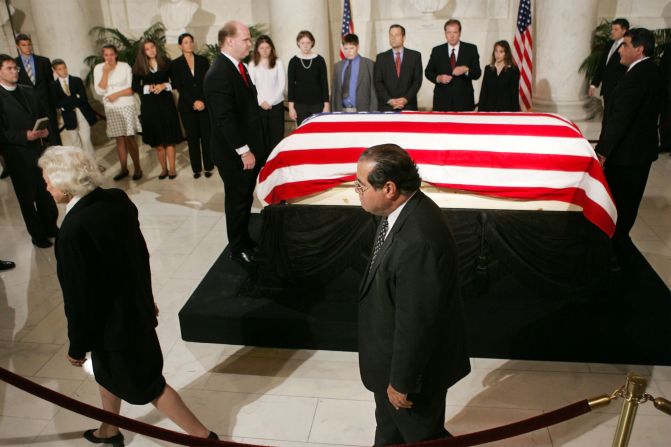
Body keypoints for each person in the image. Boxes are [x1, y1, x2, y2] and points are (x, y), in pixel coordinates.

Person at [38, 146, 219, 445]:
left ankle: (204, 438)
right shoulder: (115, 199)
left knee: (150, 385)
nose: (45, 187)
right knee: (106, 374)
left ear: (68, 182)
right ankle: (109, 429)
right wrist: (145, 298)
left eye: (49, 181)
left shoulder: (72, 231)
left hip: (114, 327)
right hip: (131, 312)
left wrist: (77, 345)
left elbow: (80, 299)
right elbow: (138, 256)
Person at [355, 144, 470, 445]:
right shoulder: (400, 211)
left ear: (389, 188)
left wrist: (401, 382)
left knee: (422, 436)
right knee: (389, 429)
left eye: (361, 186)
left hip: (412, 379)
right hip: (389, 363)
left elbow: (418, 321)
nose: (358, 192)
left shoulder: (419, 241)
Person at [595, 28, 663, 264]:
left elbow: (620, 120)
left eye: (625, 45)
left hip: (627, 156)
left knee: (621, 208)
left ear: (639, 49)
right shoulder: (649, 71)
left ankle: (615, 258)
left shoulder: (639, 75)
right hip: (636, 153)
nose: (620, 50)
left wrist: (602, 152)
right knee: (626, 206)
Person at [203, 21, 266, 266]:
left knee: (244, 199)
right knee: (237, 201)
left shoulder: (238, 67)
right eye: (246, 39)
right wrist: (244, 151)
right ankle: (237, 248)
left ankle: (245, 239)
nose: (250, 44)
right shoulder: (218, 73)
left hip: (246, 148)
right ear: (229, 41)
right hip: (234, 152)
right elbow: (224, 119)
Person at [0, 54, 57, 248]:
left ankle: (51, 226)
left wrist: (46, 130)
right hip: (17, 155)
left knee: (46, 190)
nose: (15, 71)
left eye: (15, 68)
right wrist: (24, 136)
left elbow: (43, 113)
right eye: (9, 68)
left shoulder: (28, 90)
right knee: (27, 196)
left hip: (39, 150)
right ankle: (37, 234)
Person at [132, 38, 183, 180]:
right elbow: (135, 86)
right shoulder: (139, 66)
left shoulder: (166, 62)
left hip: (166, 102)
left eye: (152, 47)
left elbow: (176, 82)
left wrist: (164, 86)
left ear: (156, 47)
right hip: (149, 105)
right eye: (147, 49)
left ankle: (172, 169)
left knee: (169, 138)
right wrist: (148, 88)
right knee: (158, 142)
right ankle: (163, 169)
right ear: (143, 52)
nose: (151, 50)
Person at [93, 44, 143, 181]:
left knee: (129, 137)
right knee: (119, 139)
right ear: (103, 56)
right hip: (111, 108)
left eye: (111, 54)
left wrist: (115, 94)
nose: (109, 57)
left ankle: (138, 168)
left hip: (126, 105)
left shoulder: (124, 66)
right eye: (106, 55)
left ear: (116, 55)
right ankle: (123, 169)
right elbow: (100, 91)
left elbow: (131, 89)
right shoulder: (99, 68)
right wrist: (105, 72)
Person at [170, 33, 213, 178]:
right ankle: (196, 168)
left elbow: (208, 82)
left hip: (204, 104)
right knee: (192, 138)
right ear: (180, 46)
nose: (189, 44)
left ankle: (208, 166)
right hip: (187, 106)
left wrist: (202, 101)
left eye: (190, 41)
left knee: (206, 137)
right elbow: (179, 86)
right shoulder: (175, 64)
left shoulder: (203, 60)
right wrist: (193, 102)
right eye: (185, 42)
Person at [425, 19, 481, 112]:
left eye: (455, 32)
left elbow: (477, 73)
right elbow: (428, 72)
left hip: (464, 102)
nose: (451, 36)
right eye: (449, 32)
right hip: (442, 102)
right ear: (445, 33)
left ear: (460, 33)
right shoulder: (437, 50)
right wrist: (439, 78)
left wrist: (466, 70)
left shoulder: (471, 49)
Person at [14, 34, 61, 145]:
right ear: (18, 46)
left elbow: (50, 85)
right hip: (29, 109)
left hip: (47, 107)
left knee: (55, 138)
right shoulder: (14, 64)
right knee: (37, 143)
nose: (27, 47)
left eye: (29, 44)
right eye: (24, 45)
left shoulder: (43, 61)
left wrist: (55, 105)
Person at [49, 59, 99, 160]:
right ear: (55, 71)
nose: (63, 71)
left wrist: (66, 103)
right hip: (68, 116)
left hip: (82, 113)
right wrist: (75, 97)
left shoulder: (76, 80)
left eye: (64, 68)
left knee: (86, 141)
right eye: (60, 69)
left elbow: (83, 98)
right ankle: (83, 167)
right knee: (76, 143)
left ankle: (94, 166)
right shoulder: (53, 86)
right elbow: (56, 103)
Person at [249, 34, 286, 157]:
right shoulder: (252, 64)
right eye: (261, 48)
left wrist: (270, 101)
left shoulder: (278, 62)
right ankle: (264, 164)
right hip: (259, 106)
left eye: (267, 47)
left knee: (276, 137)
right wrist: (261, 102)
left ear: (271, 48)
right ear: (257, 49)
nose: (265, 51)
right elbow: (251, 87)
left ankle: (275, 163)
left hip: (276, 105)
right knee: (262, 138)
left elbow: (282, 84)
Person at [374, 24, 423, 112]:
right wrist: (389, 100)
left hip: (408, 106)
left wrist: (405, 99)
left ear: (403, 37)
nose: (393, 38)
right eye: (391, 35)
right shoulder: (381, 57)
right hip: (386, 107)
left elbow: (417, 81)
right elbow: (378, 82)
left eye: (396, 35)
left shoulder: (415, 56)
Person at [287, 30, 330, 125]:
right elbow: (291, 85)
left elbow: (324, 83)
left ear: (312, 43)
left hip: (318, 104)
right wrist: (291, 107)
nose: (305, 45)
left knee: (318, 131)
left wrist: (326, 105)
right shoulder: (293, 61)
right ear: (298, 43)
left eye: (308, 43)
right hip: (300, 105)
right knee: (302, 133)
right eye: (302, 43)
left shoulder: (320, 60)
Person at [589, 18, 629, 112]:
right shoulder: (609, 44)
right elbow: (602, 65)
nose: (612, 32)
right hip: (607, 89)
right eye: (612, 29)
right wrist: (594, 84)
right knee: (606, 115)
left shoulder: (628, 46)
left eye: (616, 29)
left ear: (624, 31)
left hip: (619, 90)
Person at [331, 33, 377, 112]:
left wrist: (374, 111)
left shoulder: (369, 64)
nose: (348, 51)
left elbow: (374, 90)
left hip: (363, 111)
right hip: (341, 111)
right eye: (346, 49)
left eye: (351, 48)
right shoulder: (337, 66)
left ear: (357, 47)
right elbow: (334, 92)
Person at [477, 40, 521, 112]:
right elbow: (484, 92)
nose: (497, 54)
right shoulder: (488, 69)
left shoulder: (513, 70)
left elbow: (514, 94)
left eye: (501, 52)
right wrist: (480, 112)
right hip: (489, 110)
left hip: (506, 111)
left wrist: (515, 114)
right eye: (496, 51)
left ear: (506, 53)